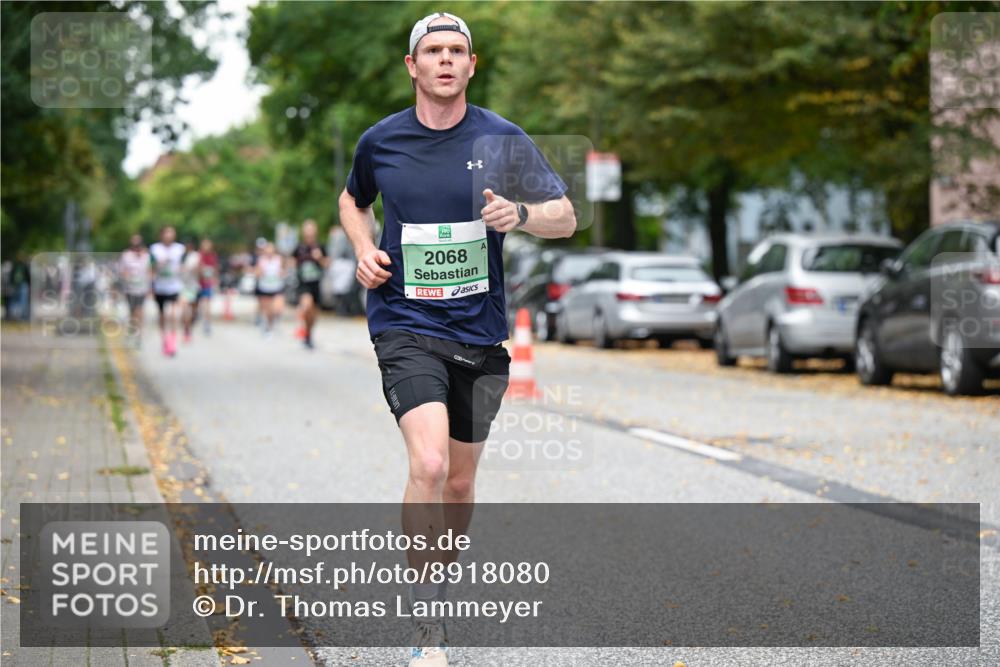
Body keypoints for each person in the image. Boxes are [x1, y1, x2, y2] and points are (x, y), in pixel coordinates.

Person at [338, 12, 576, 666]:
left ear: (471, 65)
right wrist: (363, 247)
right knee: (432, 465)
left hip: (479, 335)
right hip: (404, 324)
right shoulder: (380, 141)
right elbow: (352, 198)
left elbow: (566, 215)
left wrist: (521, 214)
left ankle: (437, 582)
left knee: (461, 486)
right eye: (433, 50)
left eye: (457, 50)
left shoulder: (502, 139)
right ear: (412, 66)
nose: (445, 59)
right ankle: (426, 624)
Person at [149, 226, 186, 356]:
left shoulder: (179, 249)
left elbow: (183, 266)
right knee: (162, 315)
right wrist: (151, 286)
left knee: (173, 314)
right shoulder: (155, 249)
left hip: (174, 286)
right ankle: (164, 338)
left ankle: (172, 342)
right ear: (162, 235)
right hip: (160, 286)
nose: (169, 235)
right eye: (167, 233)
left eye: (172, 233)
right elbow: (151, 267)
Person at [293, 219, 329, 349]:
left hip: (316, 284)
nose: (309, 232)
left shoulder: (321, 247)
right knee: (306, 305)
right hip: (303, 284)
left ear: (315, 231)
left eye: (311, 229)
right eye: (306, 229)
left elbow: (327, 264)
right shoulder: (299, 248)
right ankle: (301, 327)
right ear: (303, 232)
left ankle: (308, 335)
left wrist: (319, 258)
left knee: (313, 315)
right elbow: (291, 262)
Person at [119, 234, 150, 343]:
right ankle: (132, 329)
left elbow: (150, 271)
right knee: (132, 311)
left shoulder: (146, 255)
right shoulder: (126, 255)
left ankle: (139, 335)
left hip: (142, 288)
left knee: (139, 310)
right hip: (130, 288)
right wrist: (128, 277)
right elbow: (122, 271)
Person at [254, 242, 284, 336]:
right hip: (265, 288)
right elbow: (257, 274)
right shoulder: (261, 260)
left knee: (277, 308)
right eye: (268, 249)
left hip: (277, 287)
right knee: (268, 310)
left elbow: (284, 270)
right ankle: (268, 326)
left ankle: (273, 322)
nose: (269, 251)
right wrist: (260, 272)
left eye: (271, 249)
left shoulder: (279, 259)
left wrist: (282, 272)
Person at [196, 238, 219, 335]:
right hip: (196, 283)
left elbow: (215, 269)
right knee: (197, 304)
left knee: (207, 304)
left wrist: (215, 280)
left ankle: (207, 323)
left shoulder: (213, 256)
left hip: (207, 284)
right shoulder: (198, 255)